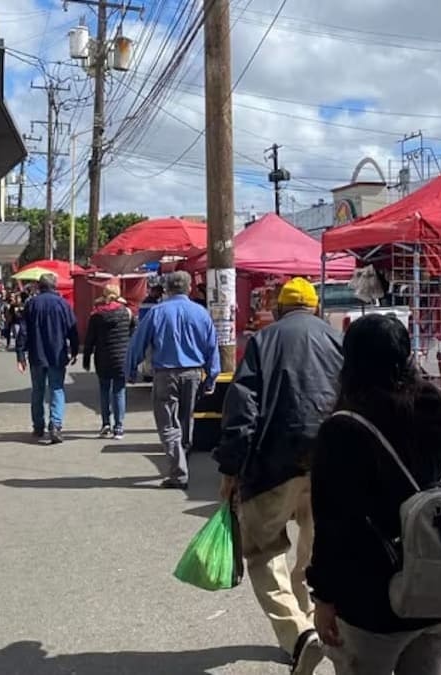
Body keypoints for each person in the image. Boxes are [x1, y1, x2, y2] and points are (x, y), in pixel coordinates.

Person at [308, 314, 441, 675]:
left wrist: (323, 597)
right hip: (440, 584)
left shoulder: (343, 427)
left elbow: (333, 524)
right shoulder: (433, 404)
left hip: (373, 597)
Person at [214, 278, 342, 675]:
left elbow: (242, 407)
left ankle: (300, 635)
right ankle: (314, 623)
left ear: (281, 309)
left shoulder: (263, 342)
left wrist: (231, 468)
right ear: (316, 308)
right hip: (328, 463)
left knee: (264, 551)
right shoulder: (339, 341)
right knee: (315, 551)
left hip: (273, 464)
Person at [126, 271, 219, 490]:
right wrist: (212, 376)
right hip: (194, 373)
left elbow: (137, 343)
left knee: (167, 423)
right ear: (189, 289)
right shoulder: (201, 313)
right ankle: (182, 457)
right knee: (187, 420)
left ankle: (179, 471)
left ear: (167, 289)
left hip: (165, 373)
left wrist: (130, 370)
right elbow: (211, 346)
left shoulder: (157, 312)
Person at [16, 274, 79, 444]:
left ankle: (38, 426)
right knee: (56, 388)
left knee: (37, 390)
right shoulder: (63, 304)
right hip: (57, 354)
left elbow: (23, 331)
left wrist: (20, 354)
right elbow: (72, 329)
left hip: (37, 354)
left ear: (39, 286)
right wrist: (74, 350)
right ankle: (55, 425)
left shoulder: (31, 304)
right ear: (55, 286)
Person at [82, 287, 137, 439]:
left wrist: (86, 359)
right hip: (121, 358)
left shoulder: (96, 315)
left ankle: (105, 424)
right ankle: (119, 427)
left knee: (104, 390)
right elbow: (133, 334)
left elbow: (89, 340)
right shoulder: (127, 313)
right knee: (119, 391)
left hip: (103, 358)